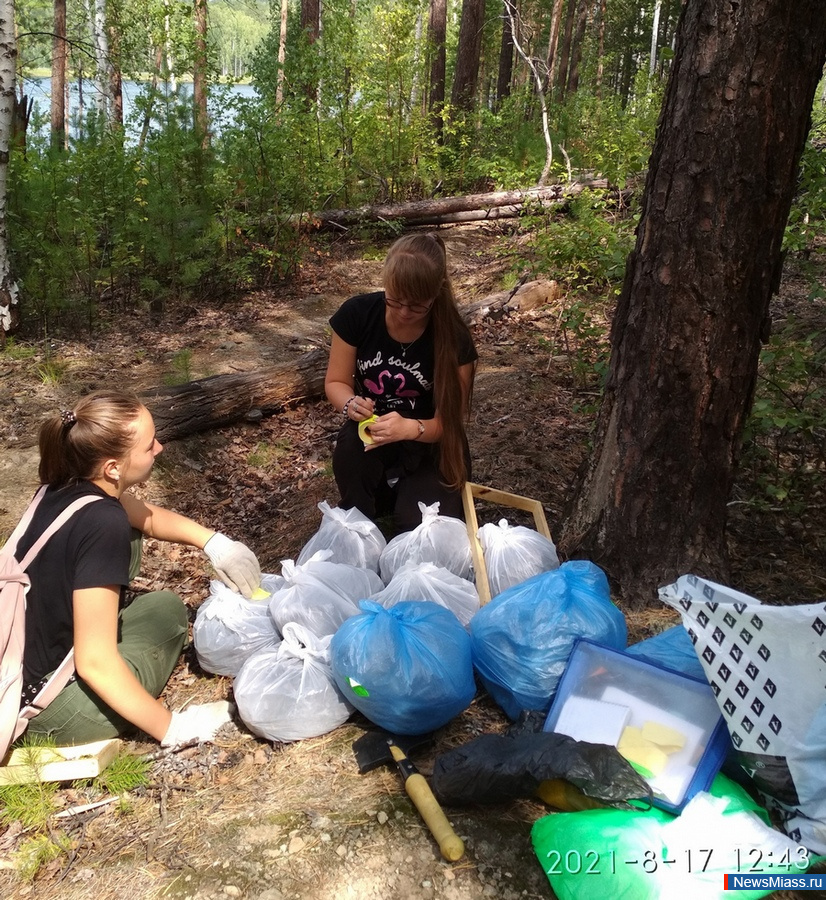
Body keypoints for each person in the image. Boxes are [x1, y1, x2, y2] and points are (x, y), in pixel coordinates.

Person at [16, 390, 262, 747]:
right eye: (149, 446)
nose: (159, 448)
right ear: (113, 467)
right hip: (49, 711)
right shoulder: (103, 523)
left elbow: (145, 517)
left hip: (16, 674)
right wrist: (172, 728)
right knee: (169, 616)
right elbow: (94, 662)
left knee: (159, 603)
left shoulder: (62, 486)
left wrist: (214, 542)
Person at [324, 232, 477, 532]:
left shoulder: (454, 338)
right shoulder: (357, 315)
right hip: (372, 434)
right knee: (352, 459)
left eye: (417, 305)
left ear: (435, 294)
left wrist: (412, 428)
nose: (405, 312)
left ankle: (405, 498)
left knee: (420, 527)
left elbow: (450, 422)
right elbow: (336, 381)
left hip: (430, 443)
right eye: (395, 300)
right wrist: (350, 403)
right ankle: (372, 505)